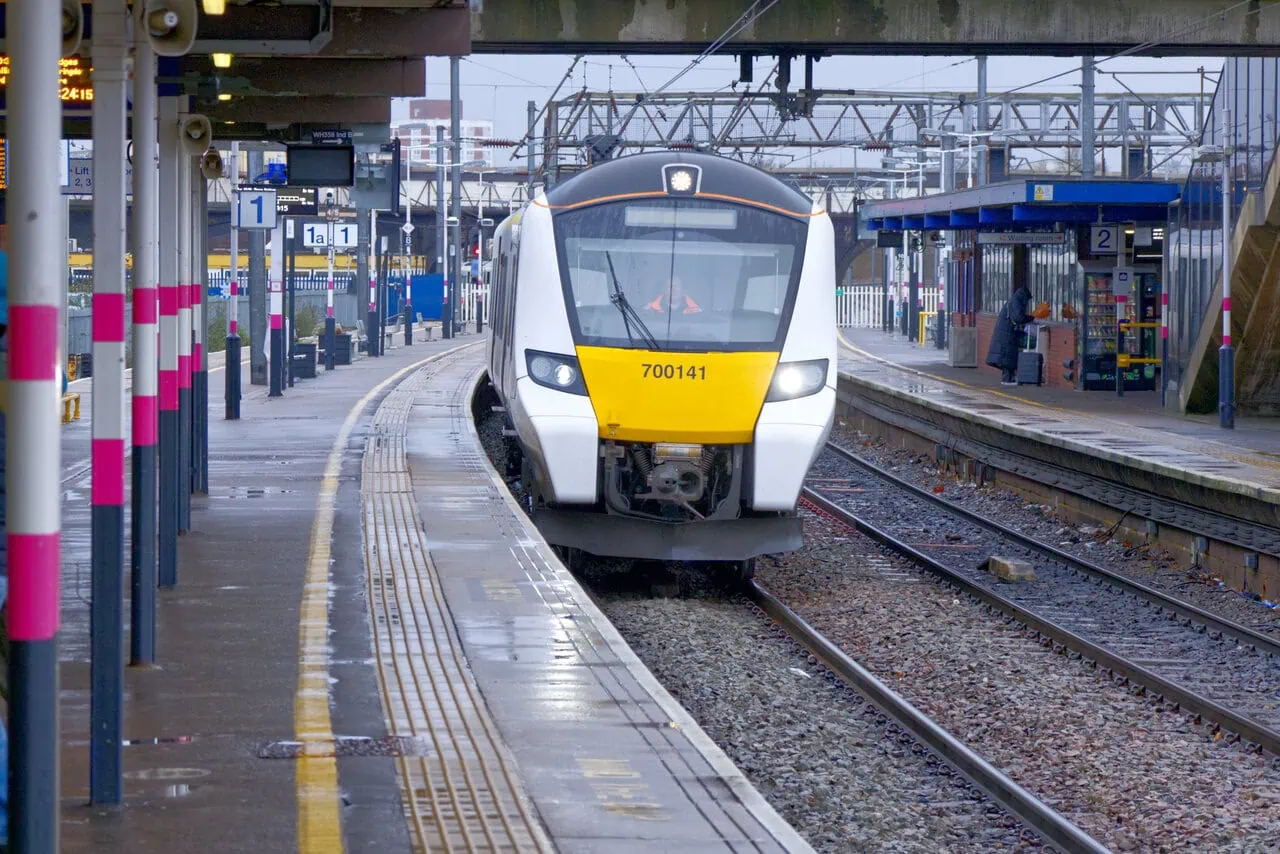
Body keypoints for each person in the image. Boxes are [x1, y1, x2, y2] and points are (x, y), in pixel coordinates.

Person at [985, 281, 1033, 386]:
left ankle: (1008, 378)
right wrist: (1031, 318)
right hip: (1007, 334)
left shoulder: (1013, 300)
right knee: (1007, 356)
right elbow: (1018, 317)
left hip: (1006, 333)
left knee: (1007, 357)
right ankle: (1007, 379)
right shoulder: (1016, 302)